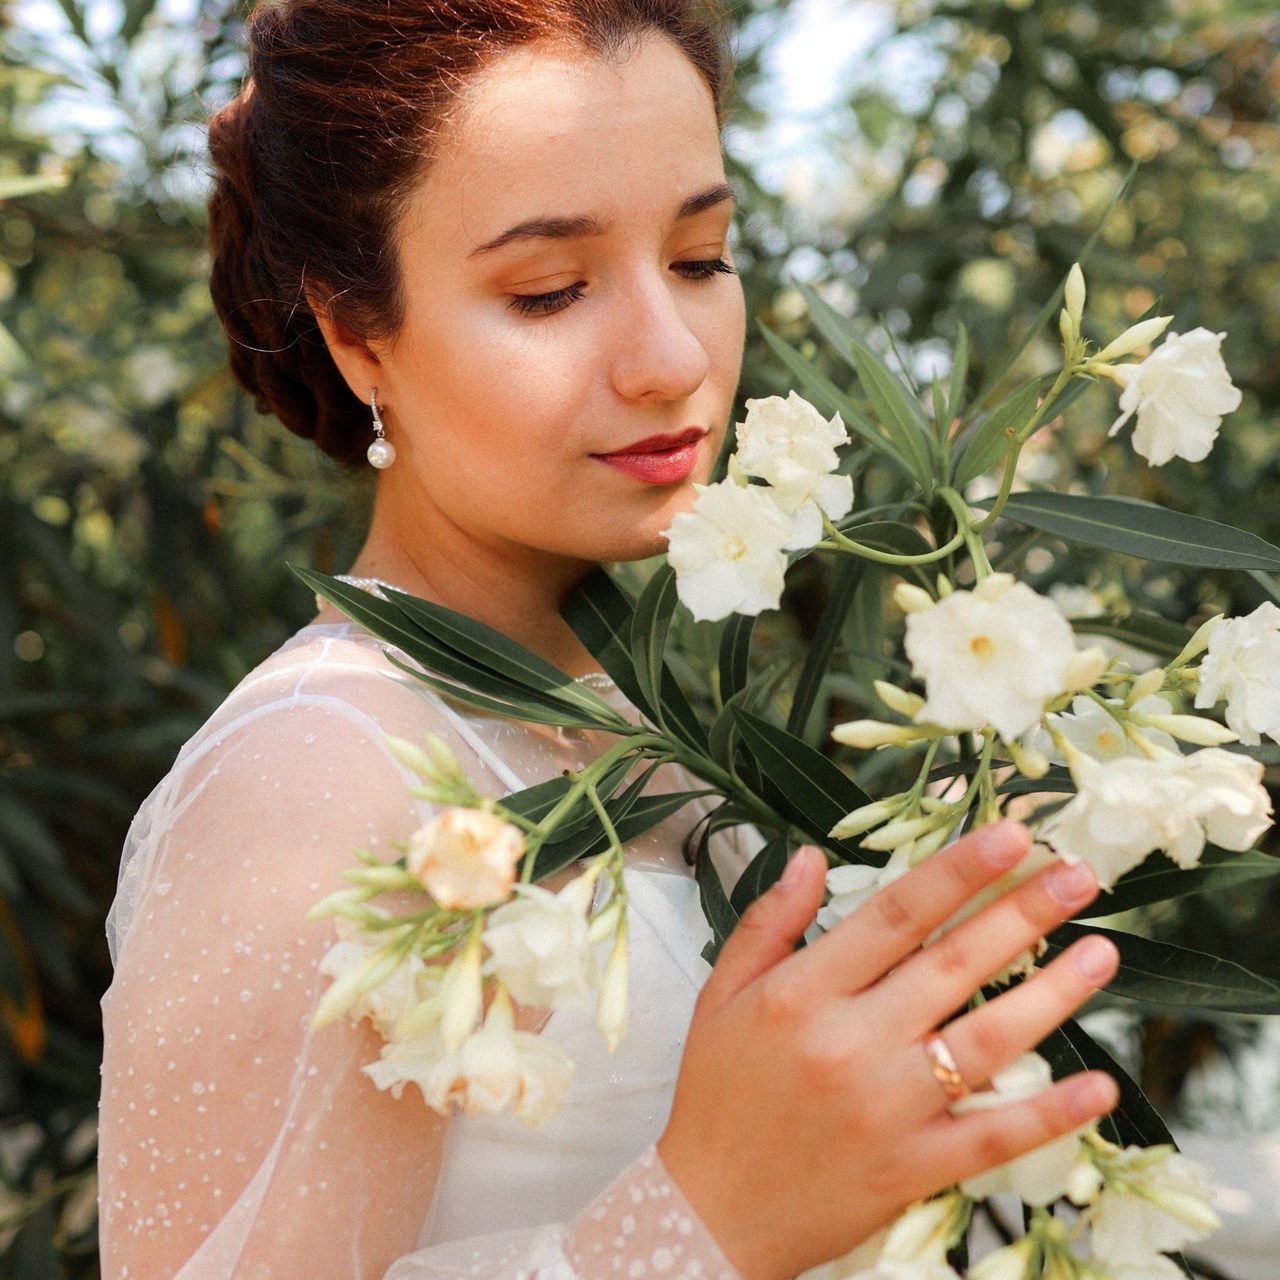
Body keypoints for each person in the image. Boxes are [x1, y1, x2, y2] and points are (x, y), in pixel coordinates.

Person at [97, 3, 1122, 1277]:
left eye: (699, 258)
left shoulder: (635, 719)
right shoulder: (316, 771)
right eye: (549, 290)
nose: (670, 355)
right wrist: (702, 1217)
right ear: (359, 335)